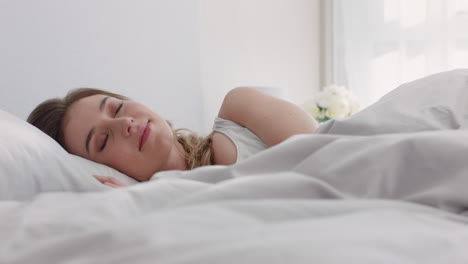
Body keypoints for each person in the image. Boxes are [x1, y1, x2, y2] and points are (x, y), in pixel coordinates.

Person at [27, 87, 318, 187]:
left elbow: (331, 153)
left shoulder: (239, 109)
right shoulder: (159, 210)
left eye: (116, 107)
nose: (125, 122)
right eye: (103, 141)